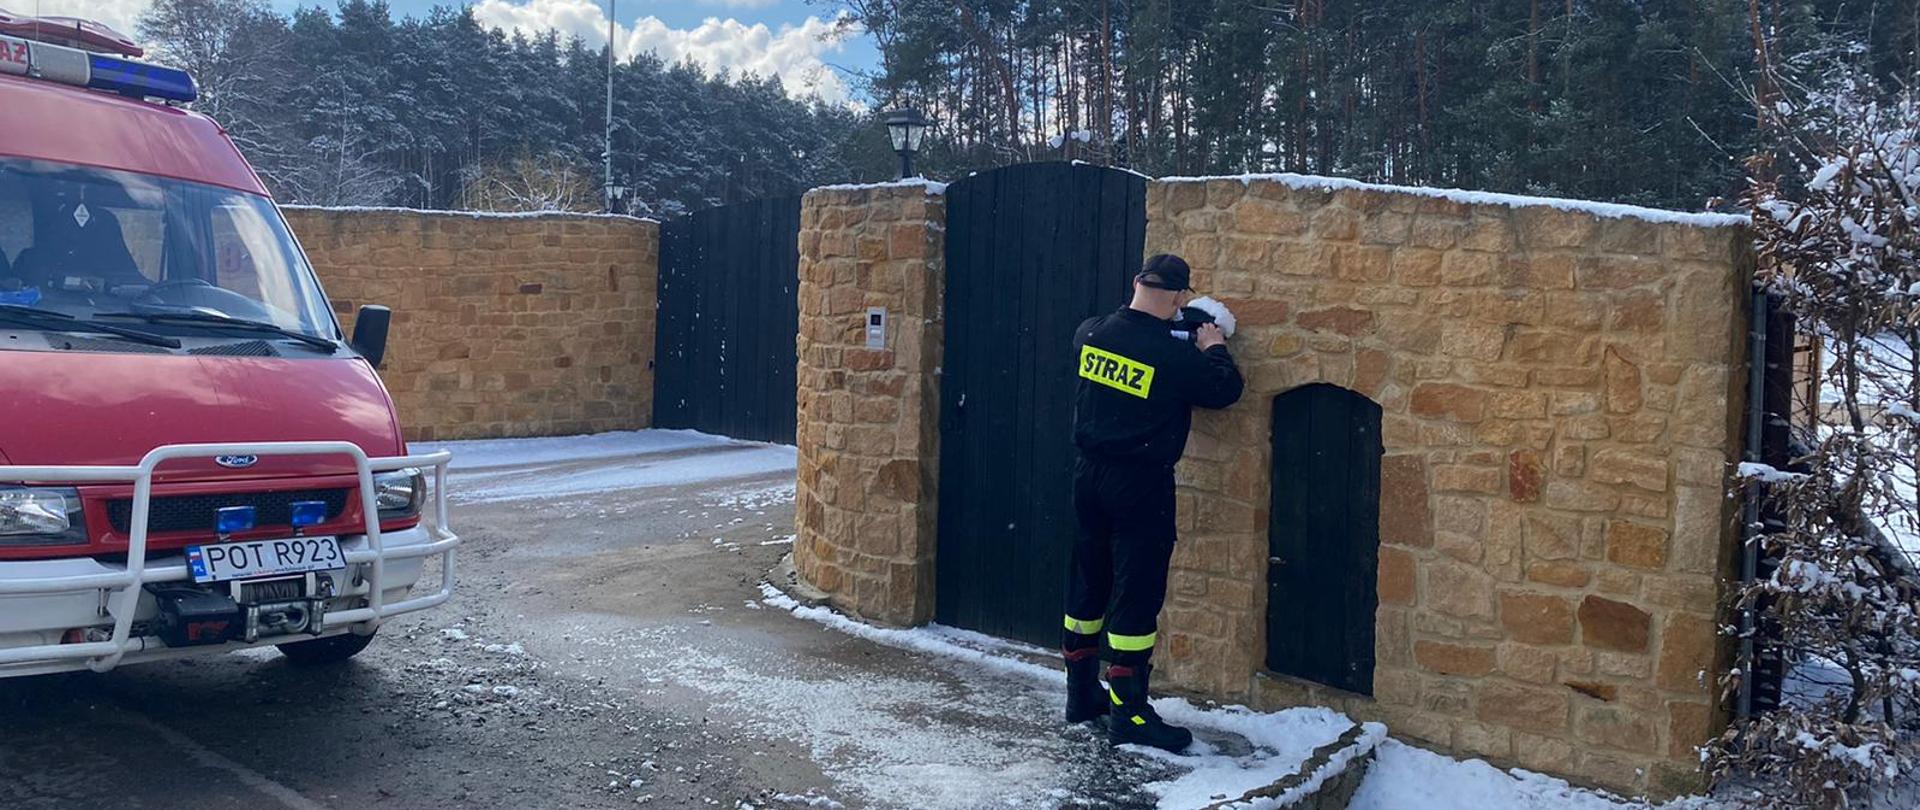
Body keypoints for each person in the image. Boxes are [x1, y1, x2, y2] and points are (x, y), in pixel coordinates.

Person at [1063, 253, 1244, 752]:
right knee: (1137, 591)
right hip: (1139, 484)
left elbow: (1134, 337)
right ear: (1178, 296)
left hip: (1088, 476)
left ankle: (1081, 694)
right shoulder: (1172, 356)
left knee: (1089, 581)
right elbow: (1225, 389)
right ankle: (1131, 713)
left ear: (1137, 283)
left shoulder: (1091, 333)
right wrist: (1213, 346)